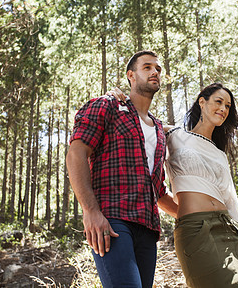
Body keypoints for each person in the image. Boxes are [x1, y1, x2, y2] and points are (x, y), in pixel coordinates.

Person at [109, 83, 238, 288]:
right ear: (202, 102)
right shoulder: (174, 135)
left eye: (228, 106)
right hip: (196, 229)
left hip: (227, 230)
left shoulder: (219, 154)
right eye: (218, 101)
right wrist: (123, 100)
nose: (223, 109)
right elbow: (139, 123)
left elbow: (231, 200)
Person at [66, 50, 177, 288]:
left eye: (157, 68)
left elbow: (157, 190)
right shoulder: (109, 106)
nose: (154, 72)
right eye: (147, 67)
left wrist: (191, 217)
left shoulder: (158, 129)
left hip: (148, 230)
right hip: (112, 221)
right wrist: (90, 211)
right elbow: (76, 153)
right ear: (131, 75)